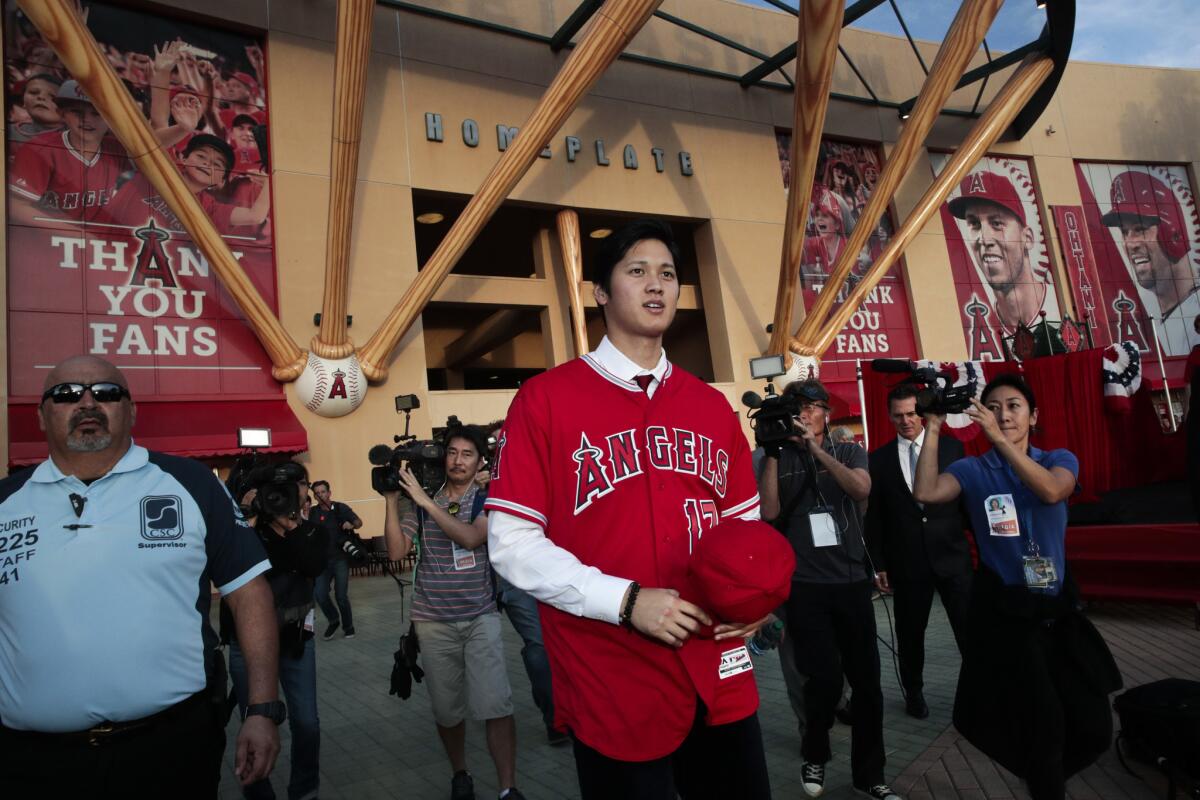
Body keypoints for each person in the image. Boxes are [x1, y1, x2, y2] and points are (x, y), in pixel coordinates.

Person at [486, 219, 770, 799]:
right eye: (636, 271)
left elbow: (744, 528)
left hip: (716, 661)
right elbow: (510, 545)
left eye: (667, 274)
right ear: (600, 292)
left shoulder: (710, 405)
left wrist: (758, 598)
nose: (656, 285)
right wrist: (625, 601)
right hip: (612, 670)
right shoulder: (545, 400)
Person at [0, 355, 281, 796]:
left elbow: (249, 593)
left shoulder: (190, 483)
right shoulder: (5, 502)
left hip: (171, 749)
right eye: (68, 394)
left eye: (107, 393)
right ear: (41, 415)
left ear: (131, 411)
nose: (88, 403)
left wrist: (262, 710)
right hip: (33, 763)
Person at [913, 374, 1121, 800]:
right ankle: (1045, 784)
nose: (1003, 415)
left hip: (1058, 611)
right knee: (1042, 725)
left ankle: (1045, 779)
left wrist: (1002, 444)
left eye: (1013, 406)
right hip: (1009, 615)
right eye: (993, 406)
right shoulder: (972, 469)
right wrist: (932, 426)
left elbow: (1050, 492)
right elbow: (927, 491)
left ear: (1033, 415)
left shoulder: (1058, 459)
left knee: (1095, 725)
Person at [758, 378, 900, 800]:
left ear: (826, 413)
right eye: (796, 406)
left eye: (811, 406)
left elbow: (861, 489)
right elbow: (768, 511)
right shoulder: (777, 457)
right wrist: (770, 452)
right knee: (820, 680)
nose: (803, 412)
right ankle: (814, 752)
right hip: (804, 586)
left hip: (852, 582)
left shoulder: (848, 449)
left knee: (867, 683)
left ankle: (870, 775)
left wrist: (816, 450)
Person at [383, 425, 525, 800]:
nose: (457, 460)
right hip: (431, 622)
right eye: (452, 453)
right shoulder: (420, 500)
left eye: (467, 454)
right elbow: (396, 553)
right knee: (448, 711)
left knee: (496, 705)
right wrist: (390, 499)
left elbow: (471, 537)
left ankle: (508, 787)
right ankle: (460, 773)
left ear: (480, 461)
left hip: (481, 617)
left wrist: (426, 503)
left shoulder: (485, 498)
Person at [864, 383, 971, 720]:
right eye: (898, 416)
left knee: (969, 632)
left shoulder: (953, 449)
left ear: (922, 413)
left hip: (953, 558)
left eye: (911, 413)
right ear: (889, 416)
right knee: (911, 636)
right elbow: (876, 516)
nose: (906, 421)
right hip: (907, 563)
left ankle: (980, 693)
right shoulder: (877, 460)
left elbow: (967, 506)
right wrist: (878, 562)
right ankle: (914, 692)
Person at [222, 462, 327, 800]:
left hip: (296, 639)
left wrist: (290, 523)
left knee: (307, 723)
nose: (283, 494)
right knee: (252, 722)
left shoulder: (310, 530)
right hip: (246, 643)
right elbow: (230, 566)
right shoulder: (249, 530)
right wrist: (247, 517)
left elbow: (313, 565)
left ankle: (304, 789)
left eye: (295, 485)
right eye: (275, 489)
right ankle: (258, 792)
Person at [1101, 170, 1200, 356]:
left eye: (1140, 229)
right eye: (1124, 232)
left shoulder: (1194, 311)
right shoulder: (1170, 317)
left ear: (1173, 234)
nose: (1130, 244)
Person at [7, 79, 129, 226]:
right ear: (61, 114)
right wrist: (75, 235)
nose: (86, 120)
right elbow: (16, 207)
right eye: (77, 112)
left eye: (96, 113)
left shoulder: (118, 148)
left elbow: (156, 144)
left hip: (94, 243)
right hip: (47, 242)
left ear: (112, 118)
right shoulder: (39, 149)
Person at [948, 171, 1055, 337]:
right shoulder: (975, 327)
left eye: (997, 223)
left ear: (1027, 238)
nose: (984, 239)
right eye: (975, 224)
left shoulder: (1059, 306)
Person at [311, 480, 363, 640]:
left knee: (341, 596)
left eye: (323, 492)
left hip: (340, 558)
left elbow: (359, 522)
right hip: (322, 561)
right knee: (319, 594)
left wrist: (351, 524)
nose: (321, 495)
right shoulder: (312, 512)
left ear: (329, 493)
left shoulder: (340, 508)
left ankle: (348, 626)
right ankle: (333, 620)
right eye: (317, 493)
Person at [7, 72, 62, 144]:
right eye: (34, 92)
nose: (41, 97)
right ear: (23, 101)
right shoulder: (8, 132)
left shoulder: (76, 138)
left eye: (52, 96)